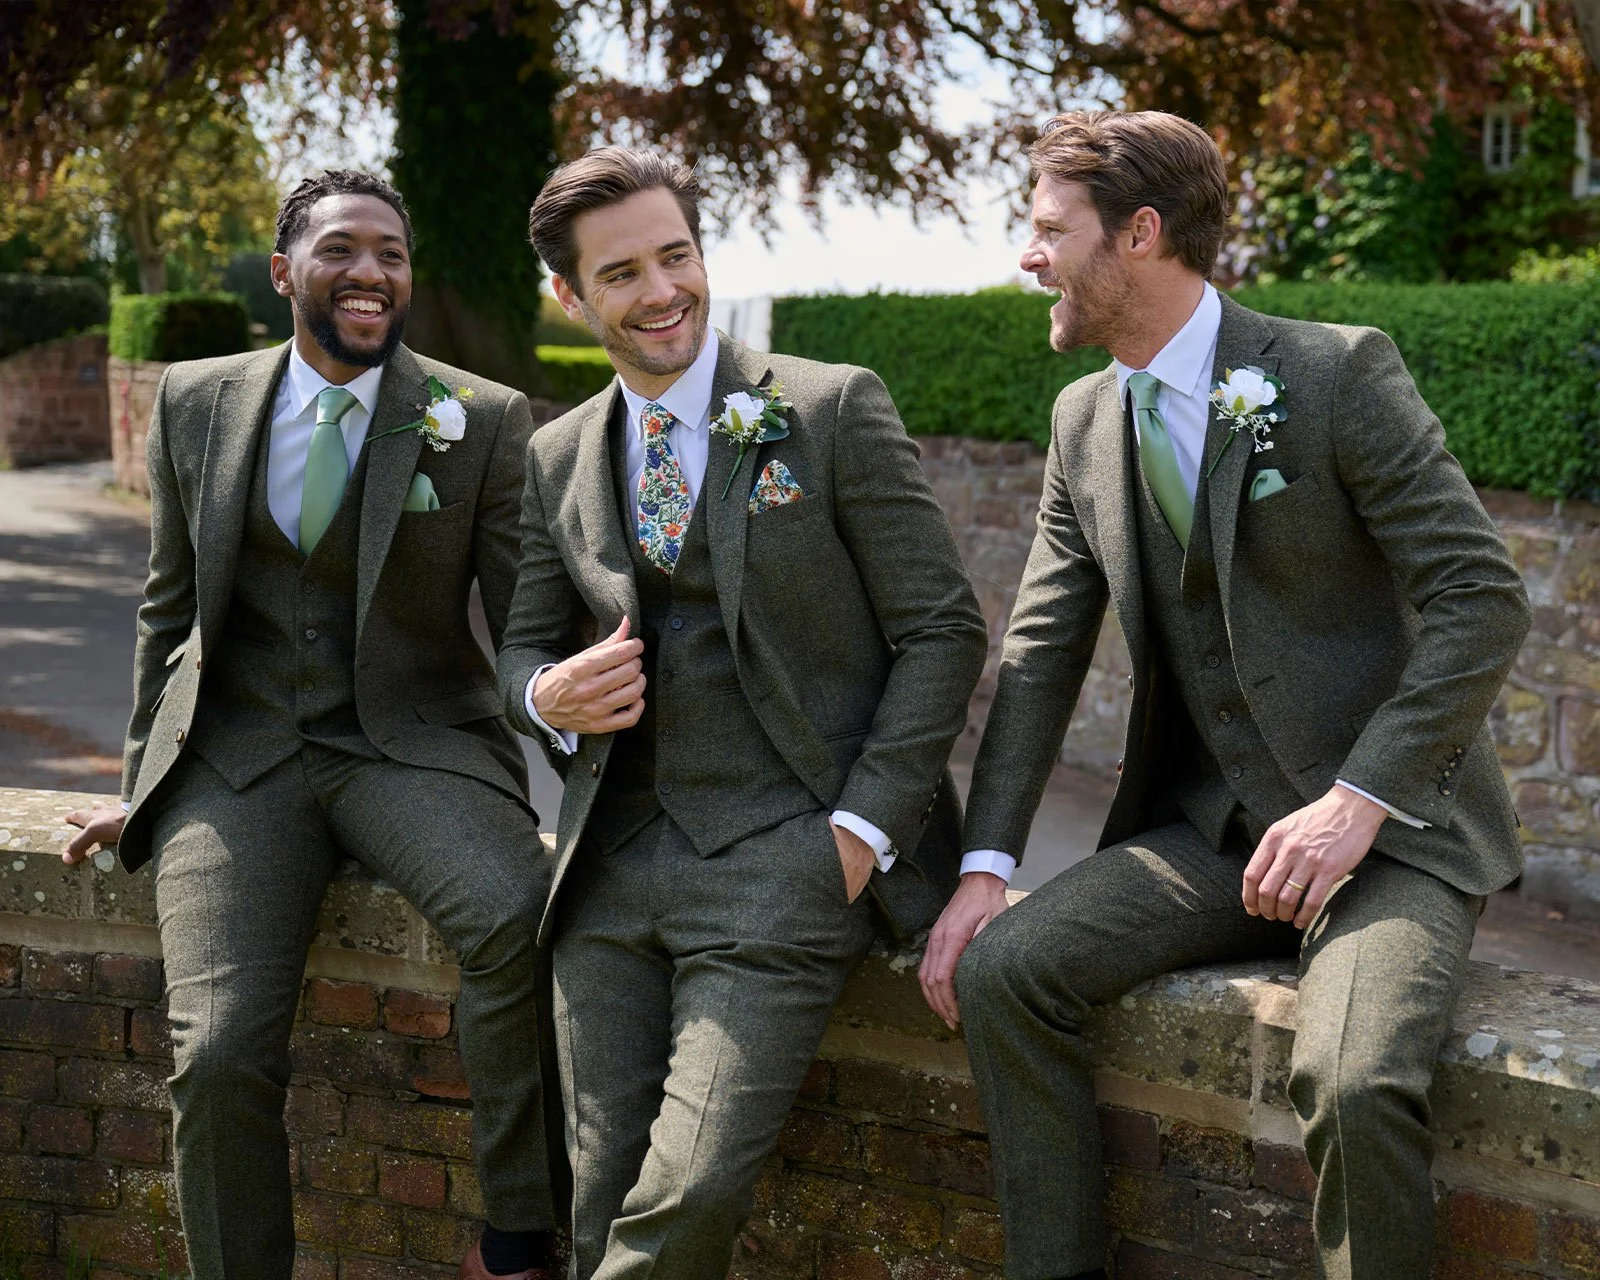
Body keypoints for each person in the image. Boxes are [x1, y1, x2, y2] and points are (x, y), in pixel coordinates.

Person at [918, 110, 1532, 1280]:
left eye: (1050, 229)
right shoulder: (1081, 420)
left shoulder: (1333, 371)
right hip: (1213, 835)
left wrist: (1360, 798)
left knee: (1349, 1075)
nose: (1027, 254)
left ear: (1139, 234)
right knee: (1004, 971)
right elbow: (1042, 653)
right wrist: (985, 866)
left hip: (1391, 834)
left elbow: (1480, 595)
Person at [62, 170, 562, 1280]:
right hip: (237, 758)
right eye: (343, 249)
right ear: (286, 271)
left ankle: (521, 1232)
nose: (372, 272)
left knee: (514, 910)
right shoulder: (196, 400)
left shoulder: (475, 419)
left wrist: (573, 727)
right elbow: (168, 610)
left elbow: (529, 611)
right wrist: (145, 780)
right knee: (222, 1048)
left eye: (391, 251)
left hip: (414, 741)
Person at [499, 146, 986, 1279]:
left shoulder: (825, 408)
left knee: (689, 1183)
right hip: (610, 864)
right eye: (621, 273)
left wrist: (859, 835)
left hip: (789, 854)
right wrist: (543, 696)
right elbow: (522, 641)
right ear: (571, 297)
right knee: (600, 1179)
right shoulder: (556, 453)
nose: (663, 289)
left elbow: (942, 629)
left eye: (677, 255)